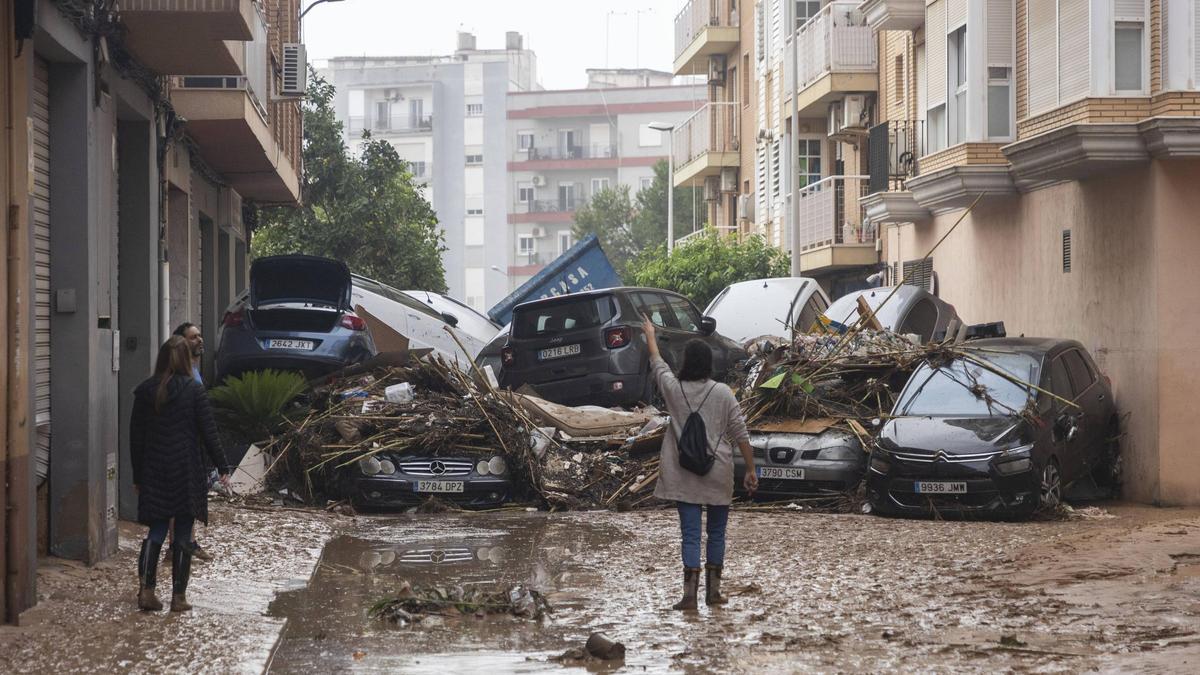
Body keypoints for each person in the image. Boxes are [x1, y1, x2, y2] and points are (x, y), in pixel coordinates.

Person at [643, 315, 758, 611]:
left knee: (691, 534)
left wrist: (651, 336)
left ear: (685, 362)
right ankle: (714, 593)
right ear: (708, 363)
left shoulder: (673, 389)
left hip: (683, 474)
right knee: (716, 533)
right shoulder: (722, 393)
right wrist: (751, 469)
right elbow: (740, 433)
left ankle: (689, 597)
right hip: (717, 472)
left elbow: (658, 365)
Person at [131, 336, 231, 612]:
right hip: (186, 471)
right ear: (187, 360)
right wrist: (223, 467)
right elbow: (209, 432)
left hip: (154, 469)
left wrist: (138, 476)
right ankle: (179, 597)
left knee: (158, 528)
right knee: (184, 533)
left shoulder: (145, 391)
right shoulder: (194, 391)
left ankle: (147, 590)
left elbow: (135, 439)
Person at [171, 322, 216, 563]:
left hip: (193, 445)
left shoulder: (194, 370)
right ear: (180, 342)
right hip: (181, 447)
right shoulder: (180, 375)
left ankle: (183, 543)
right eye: (193, 337)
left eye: (200, 335)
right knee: (181, 500)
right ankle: (179, 547)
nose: (199, 340)